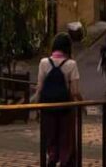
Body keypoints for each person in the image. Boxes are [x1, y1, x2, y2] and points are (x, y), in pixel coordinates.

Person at [36, 33, 81, 167]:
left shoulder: (44, 62)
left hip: (48, 107)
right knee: (65, 136)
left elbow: (40, 87)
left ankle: (52, 158)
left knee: (50, 135)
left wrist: (38, 106)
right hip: (65, 107)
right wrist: (83, 104)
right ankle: (65, 160)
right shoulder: (71, 64)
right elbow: (75, 91)